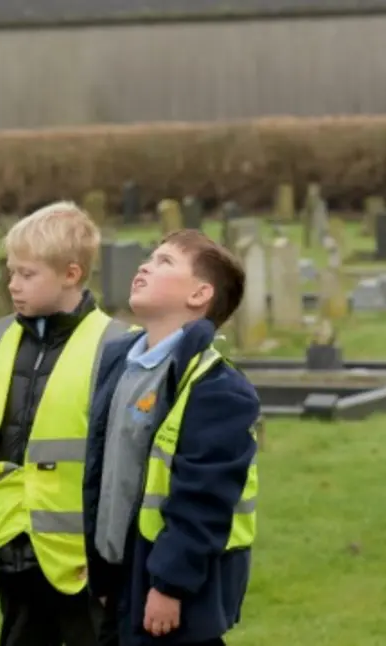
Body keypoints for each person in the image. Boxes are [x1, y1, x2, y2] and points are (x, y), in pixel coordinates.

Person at [0, 201, 131, 646]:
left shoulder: (117, 346)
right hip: (9, 543)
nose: (13, 285)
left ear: (71, 274)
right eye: (11, 272)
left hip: (83, 559)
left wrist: (115, 559)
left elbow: (126, 466)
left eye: (27, 275)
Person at [83, 229, 260, 646]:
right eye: (149, 257)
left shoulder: (217, 388)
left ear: (200, 294)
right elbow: (105, 477)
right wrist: (103, 573)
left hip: (169, 588)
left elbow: (204, 498)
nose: (145, 266)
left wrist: (169, 585)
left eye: (165, 262)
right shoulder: (121, 364)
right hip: (121, 577)